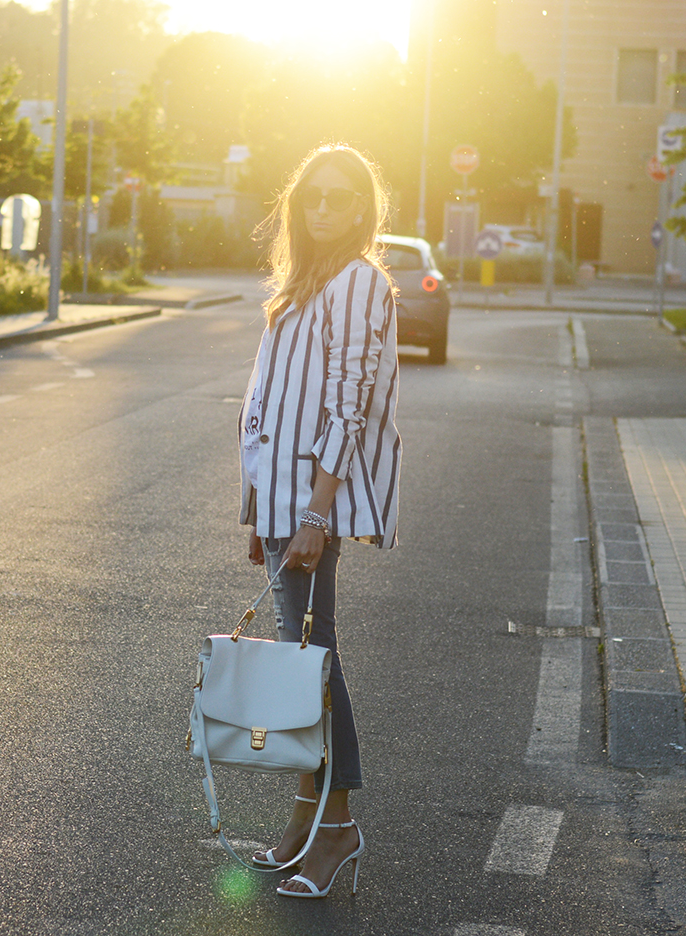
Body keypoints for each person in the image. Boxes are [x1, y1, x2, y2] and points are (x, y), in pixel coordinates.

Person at [238, 143, 401, 898]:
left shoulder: (359, 281)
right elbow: (270, 404)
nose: (326, 208)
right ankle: (309, 813)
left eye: (342, 197)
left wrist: (312, 511)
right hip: (283, 507)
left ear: (364, 208)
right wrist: (261, 510)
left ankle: (336, 829)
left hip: (311, 507)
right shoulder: (302, 281)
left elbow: (346, 406)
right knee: (304, 664)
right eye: (314, 196)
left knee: (314, 668)